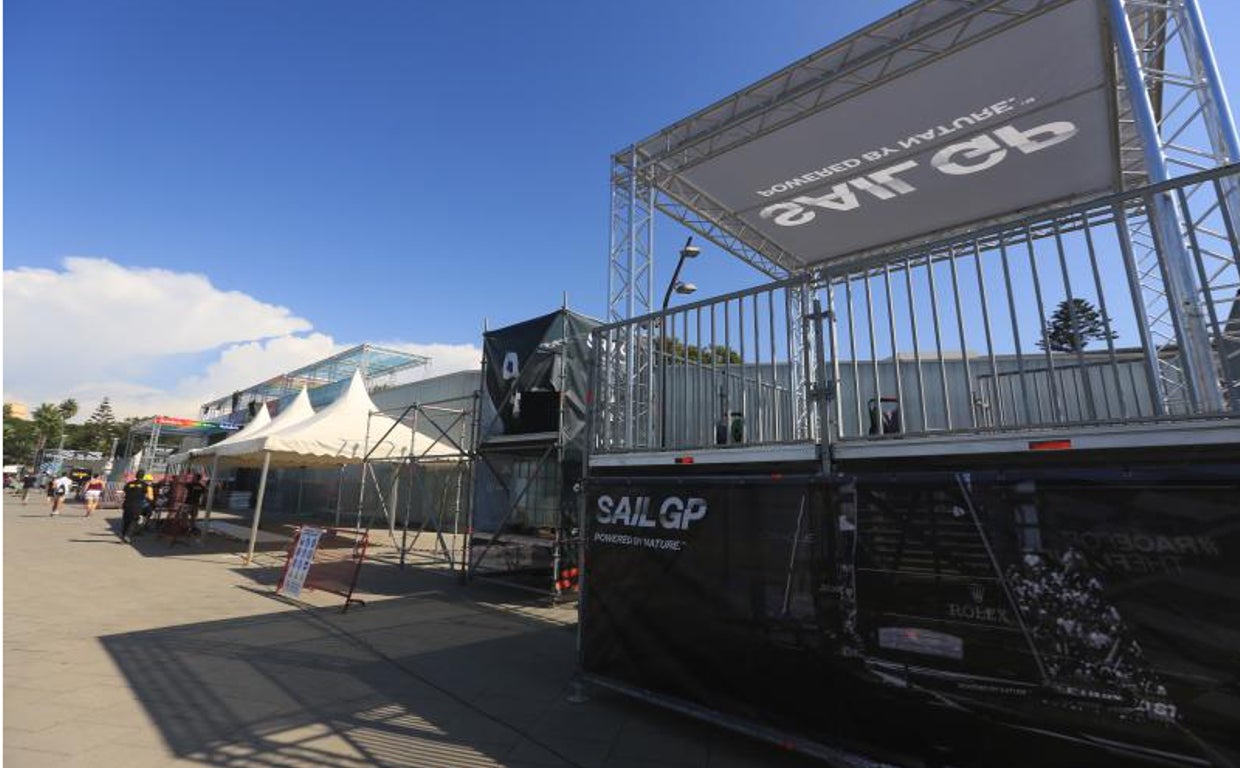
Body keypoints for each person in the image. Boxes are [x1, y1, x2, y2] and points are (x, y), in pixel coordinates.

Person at [120, 471, 153, 542]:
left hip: (127, 504)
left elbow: (123, 494)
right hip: (137, 505)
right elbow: (150, 497)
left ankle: (123, 535)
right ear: (143, 476)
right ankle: (127, 536)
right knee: (134, 520)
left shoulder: (129, 484)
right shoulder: (146, 486)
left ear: (136, 475)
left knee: (126, 520)